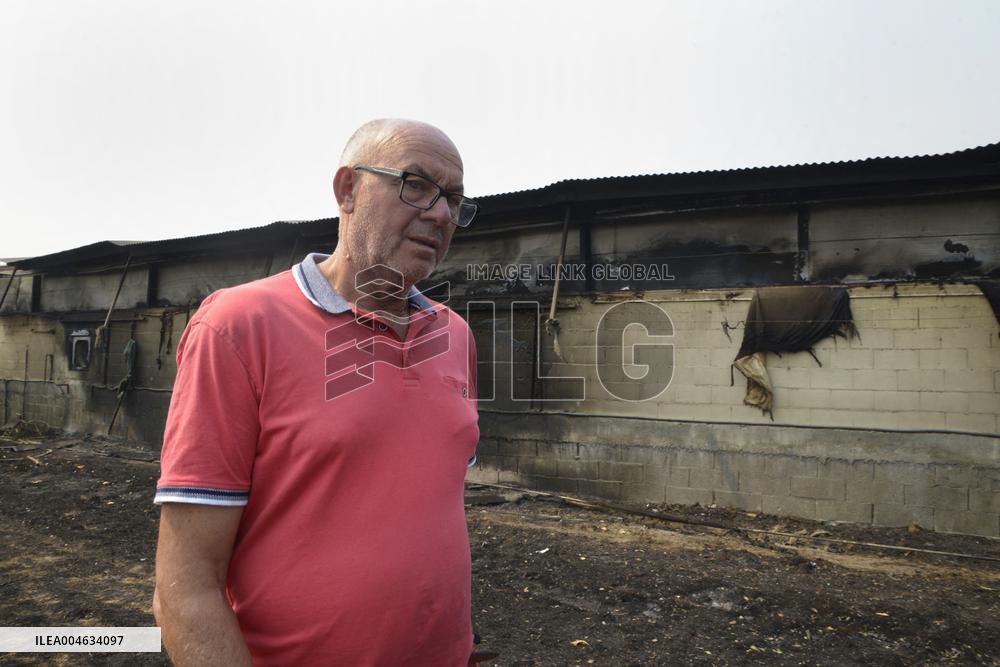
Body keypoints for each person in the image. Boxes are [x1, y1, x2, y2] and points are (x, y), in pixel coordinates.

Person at [152, 119, 481, 666]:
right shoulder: (239, 326)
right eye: (416, 184)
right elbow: (186, 587)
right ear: (347, 190)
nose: (440, 212)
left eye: (453, 198)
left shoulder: (456, 336)